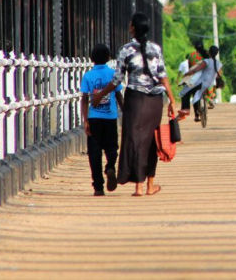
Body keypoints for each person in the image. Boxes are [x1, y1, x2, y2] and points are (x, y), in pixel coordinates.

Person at [92, 13, 176, 197]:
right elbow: (163, 76)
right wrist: (172, 100)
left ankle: (138, 186)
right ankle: (149, 185)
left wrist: (99, 96)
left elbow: (117, 80)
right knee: (151, 141)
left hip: (135, 100)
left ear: (133, 28)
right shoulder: (156, 48)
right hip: (155, 100)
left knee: (135, 141)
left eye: (130, 24)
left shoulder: (125, 50)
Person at [80, 44, 124, 196]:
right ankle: (110, 167)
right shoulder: (112, 74)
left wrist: (85, 120)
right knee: (112, 147)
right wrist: (125, 112)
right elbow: (118, 95)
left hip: (94, 118)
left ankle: (98, 186)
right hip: (110, 117)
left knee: (94, 152)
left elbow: (84, 99)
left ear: (91, 59)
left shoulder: (88, 76)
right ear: (108, 58)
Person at [181, 45, 223, 117]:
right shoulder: (215, 61)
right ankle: (210, 99)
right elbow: (219, 73)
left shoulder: (192, 55)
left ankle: (194, 113)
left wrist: (187, 75)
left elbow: (193, 68)